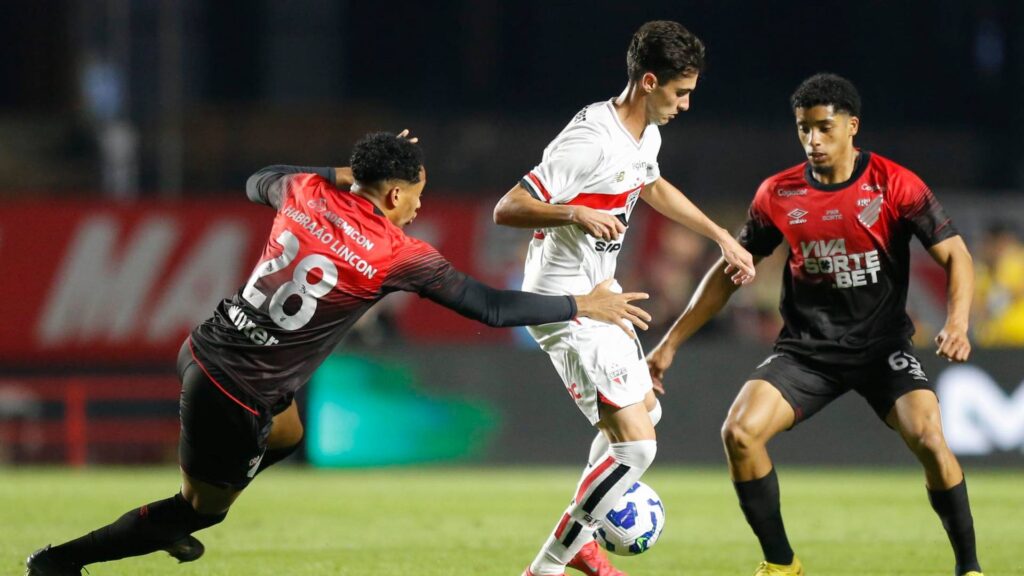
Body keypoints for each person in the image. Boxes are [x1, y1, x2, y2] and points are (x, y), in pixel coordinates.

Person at [25, 131, 653, 576]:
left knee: (291, 433)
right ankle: (61, 561)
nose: (418, 205)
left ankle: (174, 518)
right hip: (232, 391)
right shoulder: (396, 252)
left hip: (208, 349)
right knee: (201, 512)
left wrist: (345, 171)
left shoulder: (303, 191)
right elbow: (488, 307)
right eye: (413, 193)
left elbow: (255, 181)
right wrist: (581, 305)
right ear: (389, 195)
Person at [646, 73, 982, 576]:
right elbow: (730, 271)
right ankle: (782, 564)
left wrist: (957, 323)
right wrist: (670, 343)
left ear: (852, 126)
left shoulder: (895, 185)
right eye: (804, 129)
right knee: (739, 433)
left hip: (880, 349)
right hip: (806, 352)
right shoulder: (778, 194)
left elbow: (956, 255)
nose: (813, 140)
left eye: (824, 128)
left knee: (931, 438)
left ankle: (969, 568)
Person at [493, 21, 756, 576]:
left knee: (647, 413)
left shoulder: (645, 135)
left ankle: (582, 536)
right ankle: (549, 565)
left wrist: (721, 235)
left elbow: (651, 183)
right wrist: (575, 210)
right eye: (680, 92)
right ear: (649, 81)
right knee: (636, 448)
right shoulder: (590, 138)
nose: (685, 104)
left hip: (602, 295)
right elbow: (507, 207)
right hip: (563, 303)